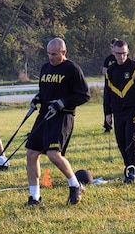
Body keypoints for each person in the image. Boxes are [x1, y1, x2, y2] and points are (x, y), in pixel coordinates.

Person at [26, 37, 90, 206]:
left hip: (62, 117)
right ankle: (35, 197)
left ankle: (75, 185)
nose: (50, 57)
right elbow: (45, 91)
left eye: (54, 54)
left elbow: (84, 95)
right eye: (48, 54)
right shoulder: (45, 68)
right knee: (31, 154)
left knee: (54, 154)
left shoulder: (72, 69)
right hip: (44, 115)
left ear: (63, 52)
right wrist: (37, 99)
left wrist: (63, 103)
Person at [104, 39, 135, 183]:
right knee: (121, 140)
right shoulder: (110, 72)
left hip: (133, 111)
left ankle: (134, 168)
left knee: (132, 139)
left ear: (127, 52)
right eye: (118, 54)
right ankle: (129, 167)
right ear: (113, 52)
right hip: (118, 112)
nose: (121, 57)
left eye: (123, 53)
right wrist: (107, 113)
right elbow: (107, 94)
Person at [102, 38, 117, 133]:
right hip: (109, 85)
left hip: (120, 86)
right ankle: (107, 126)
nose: (112, 49)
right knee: (107, 105)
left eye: (114, 46)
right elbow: (104, 71)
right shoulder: (108, 59)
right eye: (111, 47)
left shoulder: (121, 57)